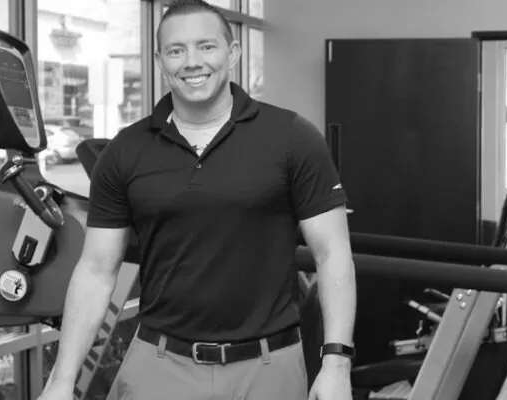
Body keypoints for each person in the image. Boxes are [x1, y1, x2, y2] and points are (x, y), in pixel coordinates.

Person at [39, 1, 356, 399]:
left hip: (268, 367)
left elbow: (332, 253)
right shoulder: (125, 152)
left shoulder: (292, 137)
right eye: (176, 50)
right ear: (160, 61)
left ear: (232, 53)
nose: (192, 62)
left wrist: (337, 363)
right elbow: (96, 271)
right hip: (160, 366)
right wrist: (61, 380)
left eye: (206, 46)